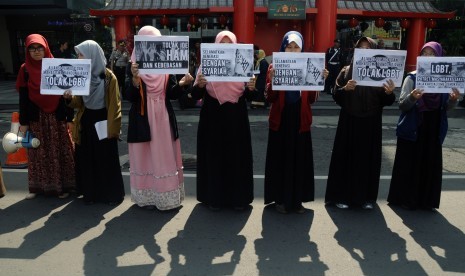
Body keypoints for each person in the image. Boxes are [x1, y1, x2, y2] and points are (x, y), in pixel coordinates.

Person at [124, 26, 194, 210]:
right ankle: (147, 196)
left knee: (162, 155)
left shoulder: (166, 65)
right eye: (147, 43)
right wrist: (134, 79)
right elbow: (129, 96)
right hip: (141, 116)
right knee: (144, 155)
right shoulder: (133, 65)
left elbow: (171, 93)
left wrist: (181, 84)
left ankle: (166, 196)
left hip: (162, 115)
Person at [325, 36, 396, 210]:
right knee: (345, 159)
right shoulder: (346, 70)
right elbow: (336, 95)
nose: (364, 51)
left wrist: (388, 93)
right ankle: (341, 196)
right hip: (349, 122)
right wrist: (344, 89)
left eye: (368, 48)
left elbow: (388, 101)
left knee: (367, 161)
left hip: (371, 123)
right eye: (361, 48)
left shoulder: (381, 72)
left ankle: (365, 198)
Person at [387, 42, 460, 211]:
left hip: (433, 128)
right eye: (424, 53)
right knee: (410, 163)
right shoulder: (411, 77)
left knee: (429, 163)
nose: (428, 57)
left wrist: (454, 99)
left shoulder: (445, 79)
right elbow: (403, 106)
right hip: (414, 126)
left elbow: (447, 107)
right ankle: (405, 199)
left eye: (432, 54)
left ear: (439, 57)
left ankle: (426, 201)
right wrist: (412, 97)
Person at [190, 30, 256, 211]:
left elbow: (251, 97)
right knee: (214, 157)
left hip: (237, 119)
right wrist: (200, 84)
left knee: (237, 157)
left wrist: (251, 87)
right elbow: (195, 94)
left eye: (229, 44)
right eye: (222, 44)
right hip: (213, 119)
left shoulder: (243, 65)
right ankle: (214, 197)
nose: (226, 48)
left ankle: (238, 199)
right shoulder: (205, 67)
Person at [264, 31, 326, 214]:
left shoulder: (310, 65)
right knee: (281, 160)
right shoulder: (274, 66)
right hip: (281, 120)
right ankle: (280, 200)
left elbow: (312, 99)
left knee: (299, 161)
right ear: (283, 47)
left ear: (302, 49)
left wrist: (320, 80)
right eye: (288, 47)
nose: (292, 50)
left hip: (300, 120)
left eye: (296, 47)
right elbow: (270, 97)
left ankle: (297, 201)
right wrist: (272, 80)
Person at [64, 40, 125, 205]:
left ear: (92, 55)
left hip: (104, 120)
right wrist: (69, 99)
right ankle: (90, 193)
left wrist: (114, 128)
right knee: (87, 157)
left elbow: (115, 104)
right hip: (86, 120)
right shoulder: (80, 75)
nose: (78, 58)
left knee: (105, 157)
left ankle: (109, 194)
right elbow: (78, 103)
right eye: (78, 54)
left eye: (81, 54)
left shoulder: (108, 77)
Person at [16, 34, 75, 199]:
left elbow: (67, 94)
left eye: (39, 47)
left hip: (56, 116)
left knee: (59, 150)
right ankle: (39, 187)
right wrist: (24, 122)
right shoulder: (25, 69)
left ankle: (62, 187)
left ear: (46, 48)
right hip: (36, 118)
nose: (36, 52)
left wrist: (70, 118)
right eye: (32, 49)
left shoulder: (57, 65)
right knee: (37, 152)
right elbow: (23, 98)